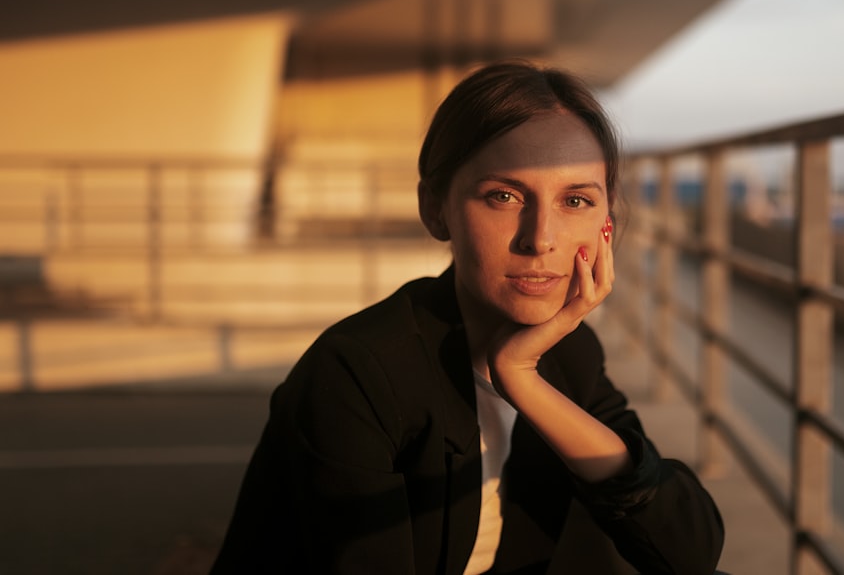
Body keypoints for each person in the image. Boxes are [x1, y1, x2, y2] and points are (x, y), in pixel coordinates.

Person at [211, 61, 725, 574]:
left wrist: (523, 380)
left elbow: (689, 551)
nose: (540, 238)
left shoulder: (571, 352)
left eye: (575, 200)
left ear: (606, 222)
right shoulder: (356, 373)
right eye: (504, 196)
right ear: (436, 208)